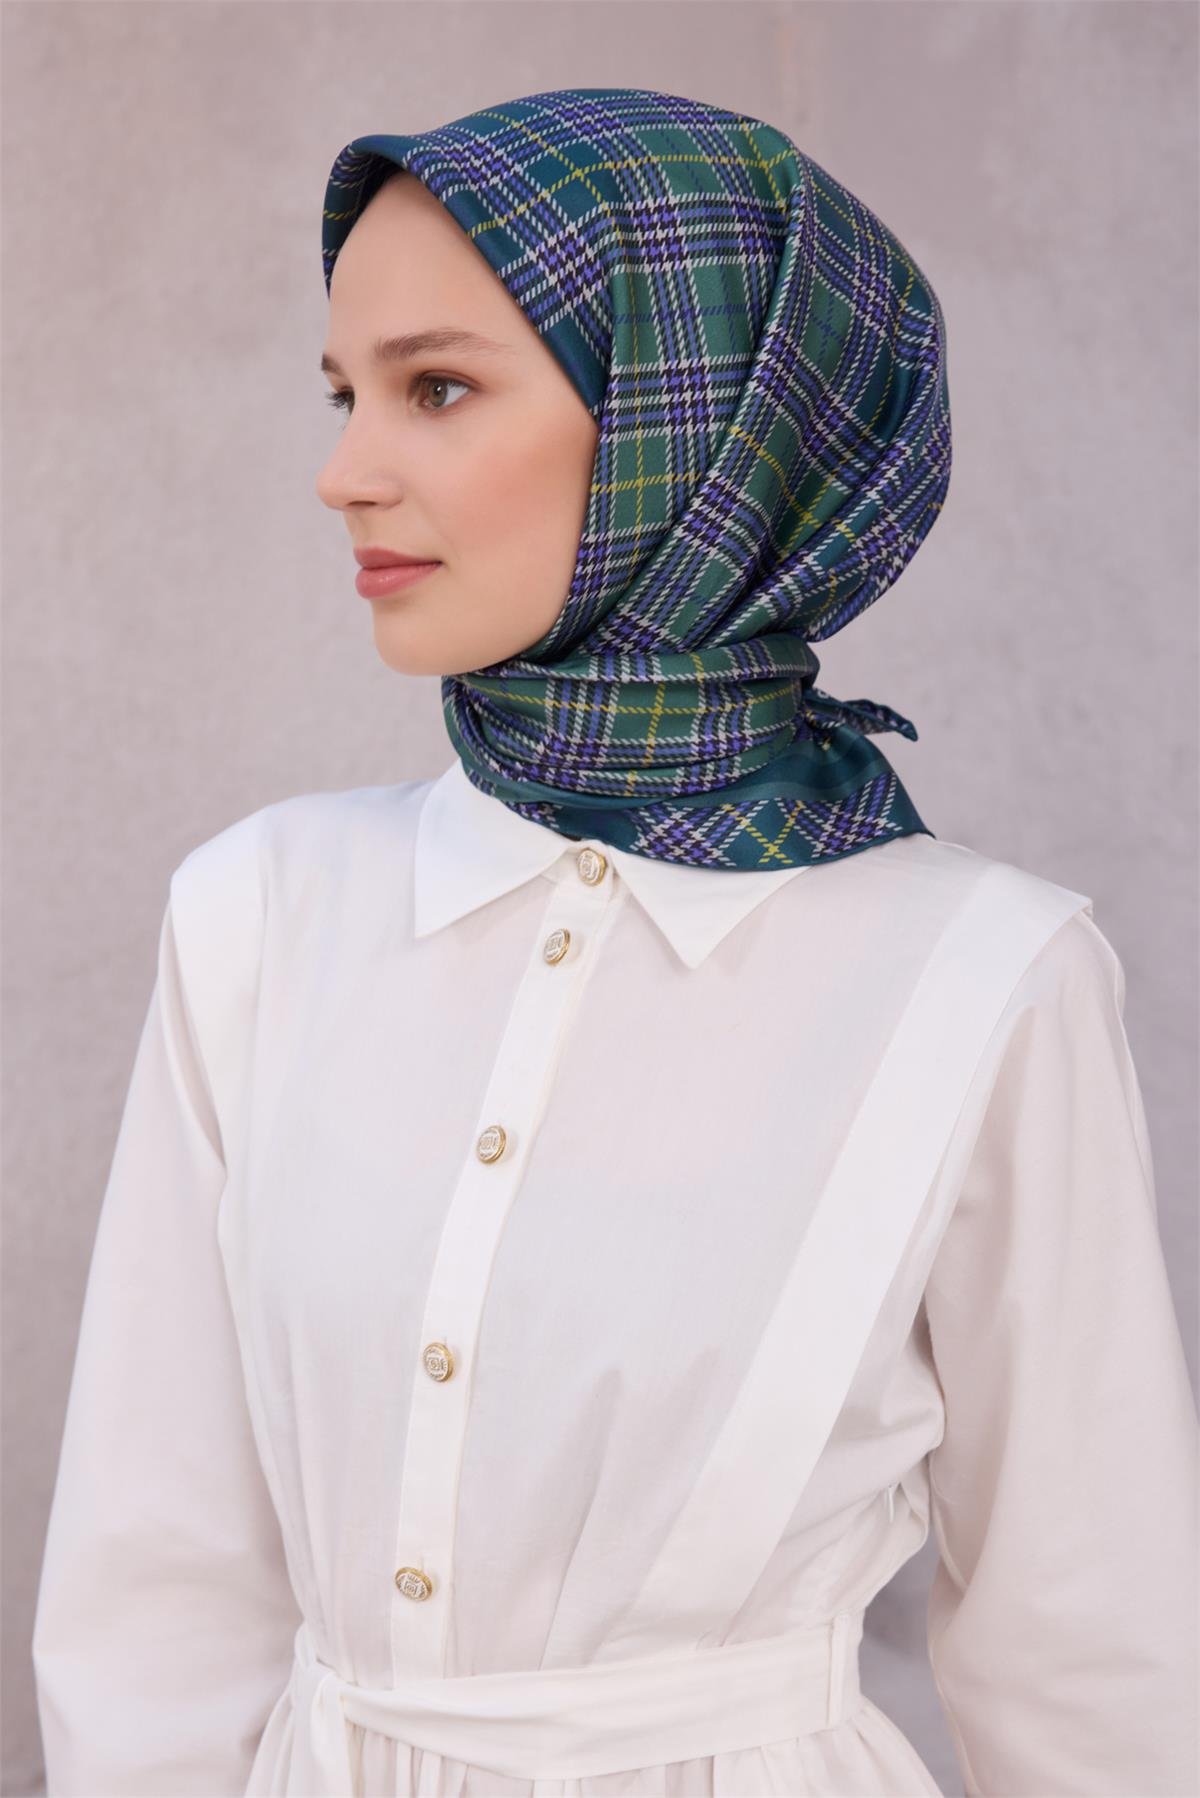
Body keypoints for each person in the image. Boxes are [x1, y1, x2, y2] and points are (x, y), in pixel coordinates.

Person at [32, 86, 1198, 1798]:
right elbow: (154, 1593)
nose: (344, 472)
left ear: (699, 420)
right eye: (346, 392)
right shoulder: (260, 915)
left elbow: (1090, 1654)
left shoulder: (987, 978)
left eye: (436, 387)